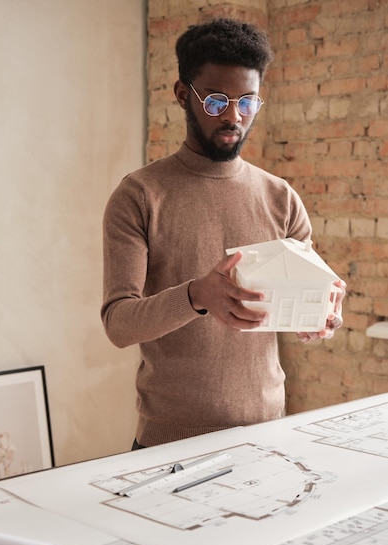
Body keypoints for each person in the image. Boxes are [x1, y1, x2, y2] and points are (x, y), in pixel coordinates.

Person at [101, 17, 345, 449]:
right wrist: (196, 295)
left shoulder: (281, 198)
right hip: (168, 446)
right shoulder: (139, 195)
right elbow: (119, 324)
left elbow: (301, 305)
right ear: (182, 95)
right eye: (216, 101)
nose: (234, 116)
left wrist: (319, 316)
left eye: (247, 102)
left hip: (269, 438)